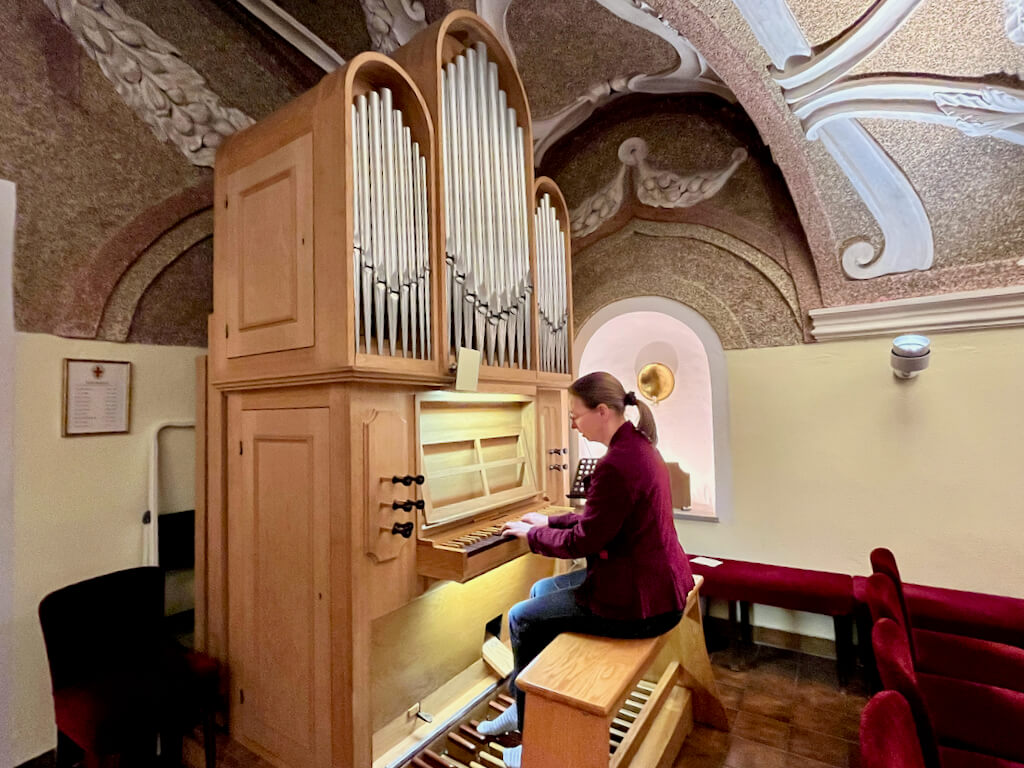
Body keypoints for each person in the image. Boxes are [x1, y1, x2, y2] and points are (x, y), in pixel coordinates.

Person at [479, 372, 696, 768]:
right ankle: (526, 702)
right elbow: (597, 520)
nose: (572, 423)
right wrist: (548, 523)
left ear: (601, 411)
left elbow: (586, 540)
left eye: (575, 415)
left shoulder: (617, 463)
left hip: (643, 603)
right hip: (650, 582)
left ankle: (536, 746)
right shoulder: (638, 447)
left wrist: (533, 537)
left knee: (520, 618)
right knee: (542, 592)